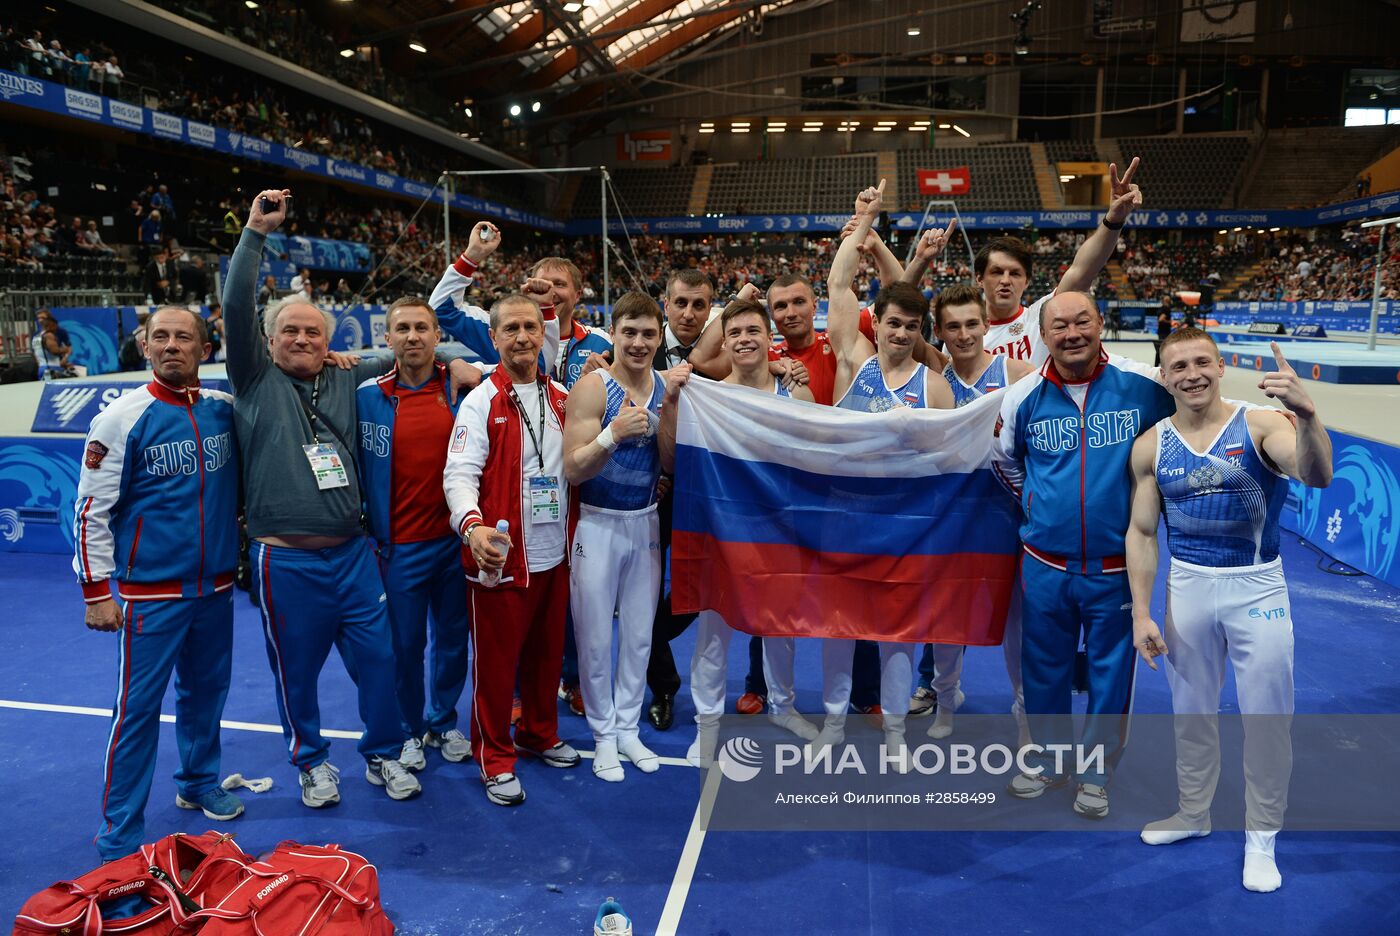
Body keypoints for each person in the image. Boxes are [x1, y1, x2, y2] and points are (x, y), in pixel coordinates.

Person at [224, 188, 478, 808]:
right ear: (268, 338)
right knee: (298, 674)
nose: (305, 339)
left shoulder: (349, 373)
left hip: (355, 555)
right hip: (284, 559)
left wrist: (458, 364)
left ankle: (384, 754)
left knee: (383, 660)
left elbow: (413, 348)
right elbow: (235, 304)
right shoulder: (254, 380)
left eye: (314, 331)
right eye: (291, 331)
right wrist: (255, 232)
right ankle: (311, 762)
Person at [1127, 331, 1332, 893]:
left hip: (1256, 589)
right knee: (1190, 712)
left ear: (1220, 367)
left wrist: (1308, 416)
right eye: (1177, 367)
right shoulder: (1150, 446)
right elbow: (1142, 533)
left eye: (1201, 362)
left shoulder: (1264, 425)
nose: (1191, 374)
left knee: (1266, 719)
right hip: (1188, 587)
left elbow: (1316, 475)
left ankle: (1261, 838)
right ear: (1163, 377)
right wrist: (1142, 613)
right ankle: (1193, 813)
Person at [993, 291, 1175, 819]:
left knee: (1110, 675)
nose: (1072, 334)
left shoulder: (1146, 388)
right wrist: (1037, 506)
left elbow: (1194, 417)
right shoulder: (1021, 396)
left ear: (1101, 323)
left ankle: (1095, 773)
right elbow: (1005, 461)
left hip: (1117, 570)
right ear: (1044, 334)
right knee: (1042, 668)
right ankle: (1048, 761)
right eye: (1060, 326)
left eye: (1082, 322)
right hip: (1045, 565)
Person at [72, 306, 242, 860]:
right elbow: (90, 510)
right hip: (151, 594)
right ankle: (120, 831)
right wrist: (97, 591)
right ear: (145, 346)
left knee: (206, 695)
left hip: (215, 590)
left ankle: (197, 782)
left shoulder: (223, 410)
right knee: (138, 710)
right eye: (161, 337)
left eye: (183, 337)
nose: (172, 345)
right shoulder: (120, 418)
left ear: (203, 347)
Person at [820, 179, 955, 760]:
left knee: (898, 633)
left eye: (910, 327)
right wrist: (865, 220)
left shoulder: (936, 387)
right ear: (877, 321)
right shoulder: (854, 361)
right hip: (849, 520)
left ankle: (896, 728)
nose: (900, 334)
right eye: (892, 323)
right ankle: (832, 722)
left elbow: (947, 466)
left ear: (920, 331)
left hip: (905, 527)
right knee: (840, 628)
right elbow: (836, 282)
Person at [443, 291, 582, 806]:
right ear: (495, 337)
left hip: (555, 554)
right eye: (511, 329)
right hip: (500, 560)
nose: (522, 337)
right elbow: (458, 475)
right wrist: (473, 529)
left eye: (530, 327)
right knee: (497, 669)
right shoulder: (480, 399)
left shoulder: (565, 396)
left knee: (547, 659)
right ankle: (494, 755)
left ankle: (539, 733)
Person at [676, 298, 822, 766]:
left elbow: (818, 461)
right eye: (734, 332)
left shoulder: (796, 394)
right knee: (714, 631)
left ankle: (782, 706)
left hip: (782, 530)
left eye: (752, 331)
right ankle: (707, 724)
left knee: (781, 628)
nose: (743, 339)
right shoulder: (712, 395)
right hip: (725, 532)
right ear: (725, 340)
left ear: (767, 337)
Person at [356, 296, 474, 773]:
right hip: (398, 547)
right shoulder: (366, 395)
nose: (412, 336)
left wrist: (458, 361)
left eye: (422, 328)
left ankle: (443, 719)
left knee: (452, 638)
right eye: (402, 328)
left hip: (454, 541)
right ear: (387, 339)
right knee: (403, 646)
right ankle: (407, 729)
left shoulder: (465, 386)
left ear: (437, 335)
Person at [912, 284, 1035, 740]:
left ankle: (1025, 713)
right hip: (955, 521)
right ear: (940, 332)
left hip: (1014, 519)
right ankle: (946, 702)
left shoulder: (1020, 373)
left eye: (971, 324)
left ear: (986, 325)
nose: (964, 334)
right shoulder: (932, 382)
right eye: (953, 326)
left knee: (1018, 627)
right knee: (947, 619)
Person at [563, 292, 673, 782]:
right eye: (629, 332)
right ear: (615, 333)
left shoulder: (668, 388)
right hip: (598, 523)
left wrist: (664, 414)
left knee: (638, 636)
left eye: (649, 333)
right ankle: (603, 734)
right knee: (592, 638)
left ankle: (628, 727)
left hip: (644, 522)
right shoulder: (592, 387)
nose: (639, 342)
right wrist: (612, 434)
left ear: (659, 336)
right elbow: (572, 468)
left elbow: (670, 464)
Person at [978, 159, 1142, 365]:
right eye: (996, 272)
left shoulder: (1042, 317)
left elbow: (1082, 271)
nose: (1005, 280)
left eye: (1015, 273)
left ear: (1027, 281)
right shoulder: (964, 335)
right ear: (979, 279)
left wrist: (1114, 219)